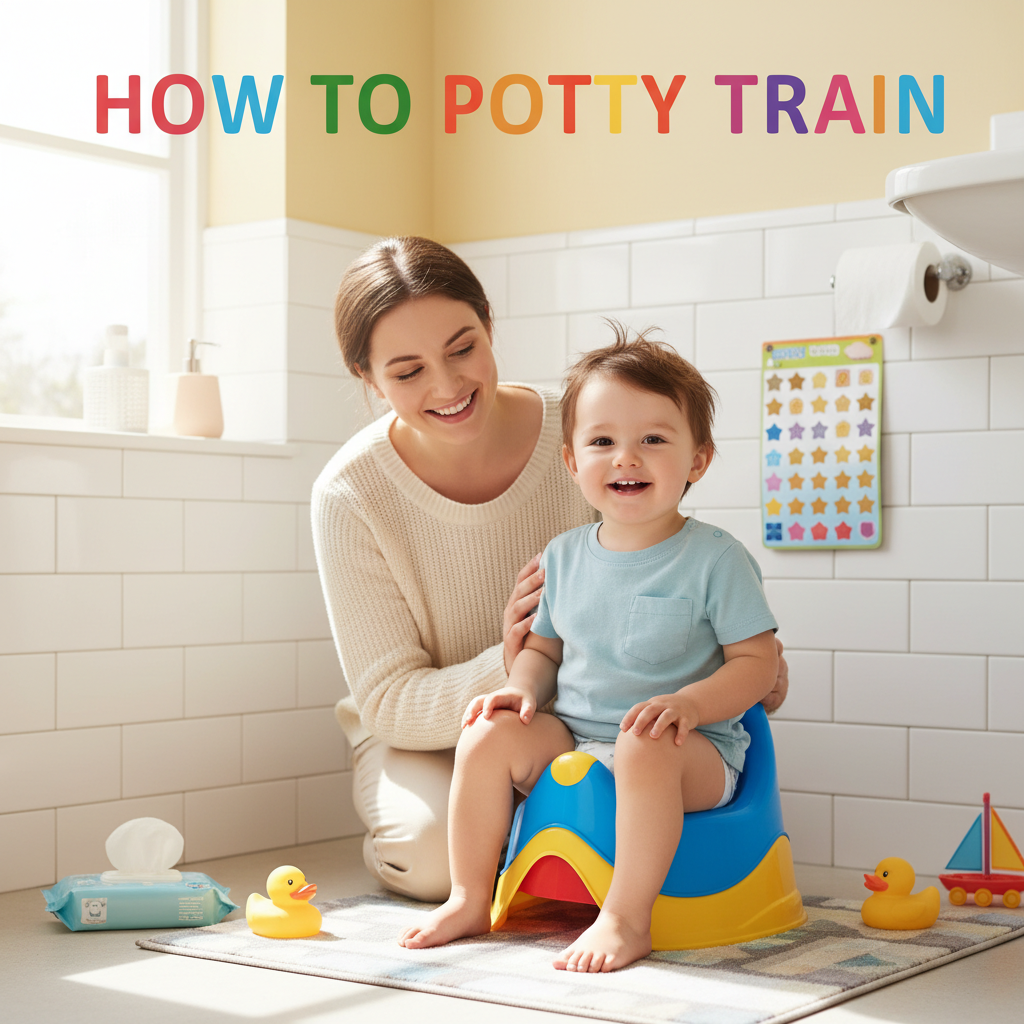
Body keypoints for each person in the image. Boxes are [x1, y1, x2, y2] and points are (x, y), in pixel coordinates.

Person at [312, 236, 790, 905]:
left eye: (462, 348)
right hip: (451, 727)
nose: (448, 386)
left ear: (488, 324)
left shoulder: (594, 419)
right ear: (368, 376)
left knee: (613, 786)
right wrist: (511, 674)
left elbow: (680, 564)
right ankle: (470, 892)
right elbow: (390, 702)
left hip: (594, 722)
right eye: (408, 370)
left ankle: (609, 903)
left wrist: (739, 663)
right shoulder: (352, 494)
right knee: (432, 861)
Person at [397, 327, 779, 973]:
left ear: (698, 460)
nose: (625, 458)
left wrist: (688, 703)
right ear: (572, 462)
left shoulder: (716, 559)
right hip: (576, 736)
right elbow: (543, 651)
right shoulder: (563, 557)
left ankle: (627, 919)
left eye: (653, 440)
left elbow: (758, 663)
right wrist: (520, 687)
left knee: (642, 744)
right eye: (602, 442)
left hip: (691, 751)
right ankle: (469, 895)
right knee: (486, 734)